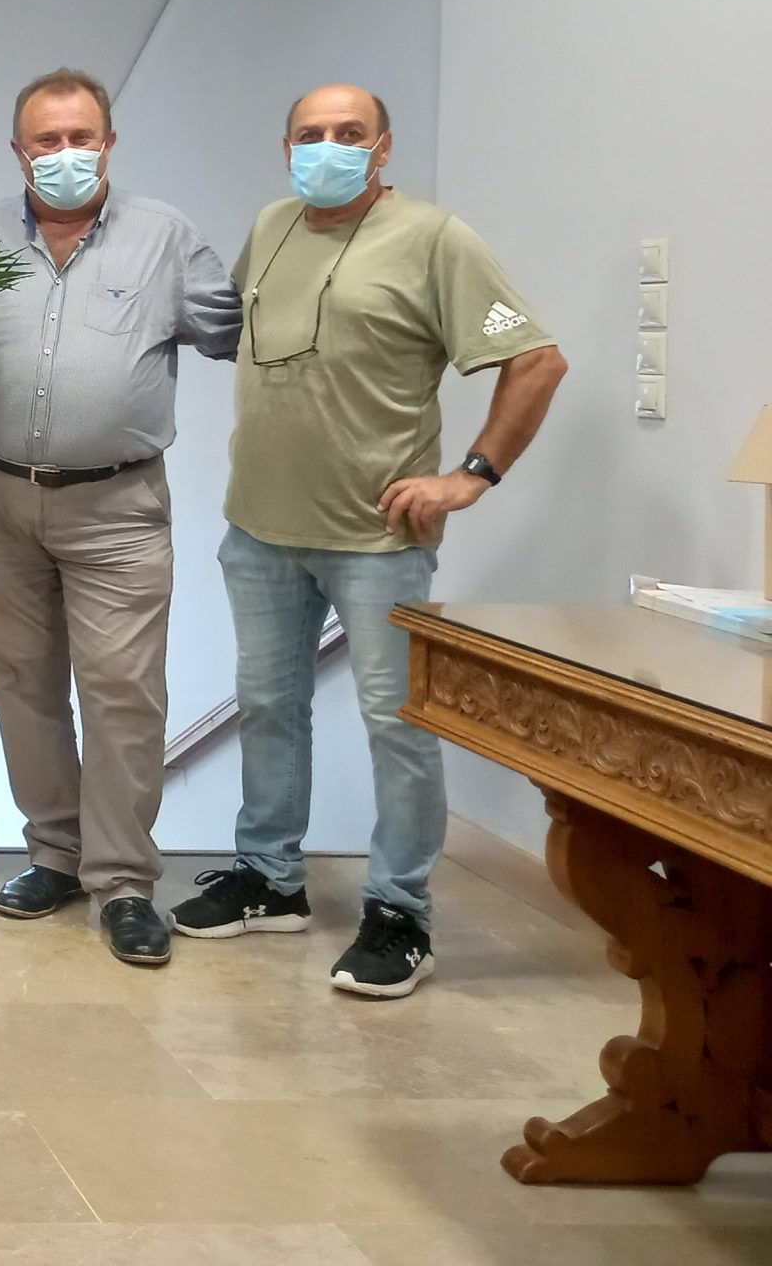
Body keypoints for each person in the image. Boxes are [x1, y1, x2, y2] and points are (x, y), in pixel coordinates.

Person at [171, 84, 566, 998]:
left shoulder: (436, 240)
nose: (328, 148)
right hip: (259, 526)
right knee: (268, 707)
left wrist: (471, 474)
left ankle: (400, 912)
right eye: (310, 135)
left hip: (377, 538)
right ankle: (270, 879)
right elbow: (240, 335)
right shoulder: (271, 224)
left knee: (397, 726)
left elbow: (537, 359)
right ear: (286, 149)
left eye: (349, 134)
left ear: (383, 148)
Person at [0, 69, 240, 967]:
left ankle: (124, 882)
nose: (65, 154)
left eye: (81, 138)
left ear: (109, 143)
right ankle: (55, 854)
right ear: (18, 150)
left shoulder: (166, 239)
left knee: (122, 692)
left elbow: (242, 335)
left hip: (117, 507)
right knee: (22, 683)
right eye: (47, 140)